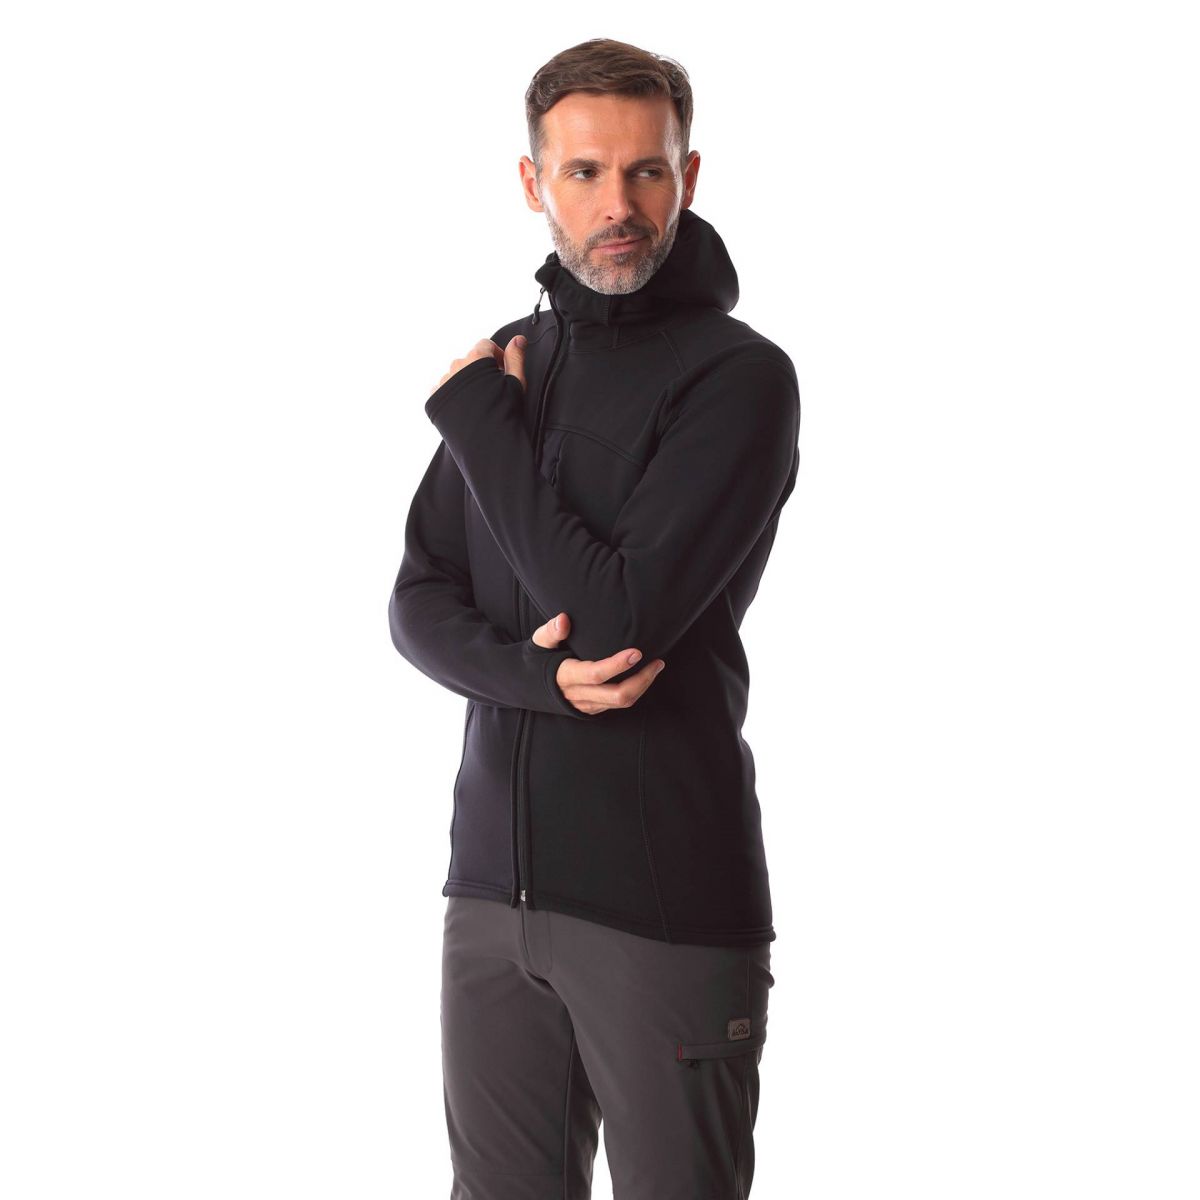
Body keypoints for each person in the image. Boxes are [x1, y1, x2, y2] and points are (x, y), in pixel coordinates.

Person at [388, 36, 801, 1200]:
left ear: (687, 175)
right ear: (535, 183)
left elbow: (619, 619)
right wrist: (538, 681)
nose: (618, 205)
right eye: (584, 172)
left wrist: (484, 430)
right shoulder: (516, 362)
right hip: (489, 901)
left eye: (645, 171)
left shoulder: (737, 379)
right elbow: (416, 600)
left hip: (663, 906)